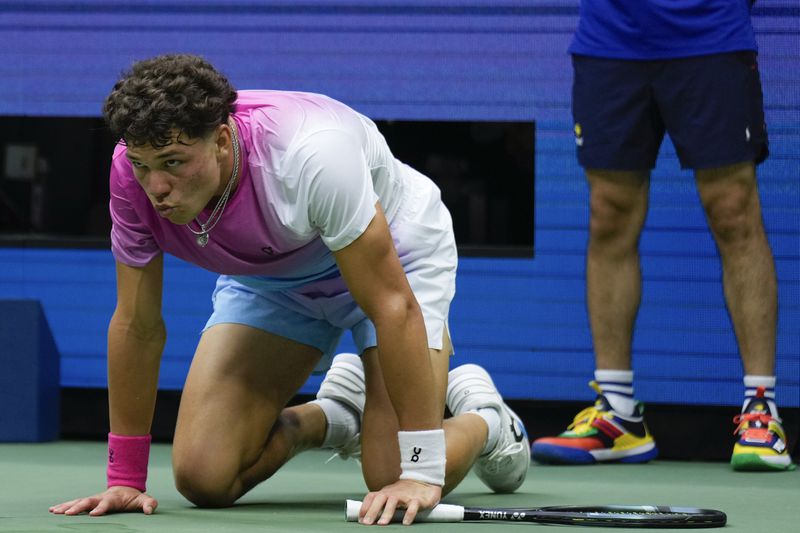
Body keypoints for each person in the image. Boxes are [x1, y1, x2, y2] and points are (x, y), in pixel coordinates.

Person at [47, 54, 531, 525]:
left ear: (220, 141)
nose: (157, 186)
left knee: (391, 474)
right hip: (273, 278)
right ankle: (337, 414)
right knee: (205, 477)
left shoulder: (310, 155)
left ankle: (489, 421)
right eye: (141, 163)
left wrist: (422, 471)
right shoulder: (132, 180)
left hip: (395, 262)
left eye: (173, 162)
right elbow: (138, 324)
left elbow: (391, 304)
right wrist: (125, 478)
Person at [530, 1, 794, 472]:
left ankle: (761, 410)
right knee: (608, 212)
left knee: (733, 211)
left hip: (711, 35)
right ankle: (619, 414)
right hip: (610, 40)